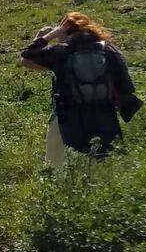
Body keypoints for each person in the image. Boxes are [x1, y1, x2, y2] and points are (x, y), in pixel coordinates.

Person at [21, 12, 140, 160]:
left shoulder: (61, 52)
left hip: (69, 118)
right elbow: (128, 87)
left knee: (65, 163)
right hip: (104, 114)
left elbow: (26, 58)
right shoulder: (109, 51)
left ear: (64, 31)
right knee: (104, 160)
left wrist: (46, 36)